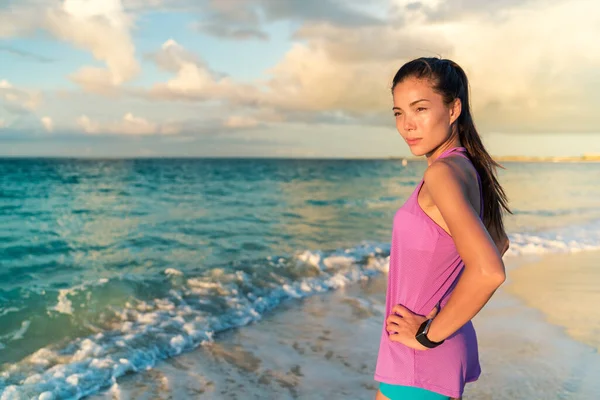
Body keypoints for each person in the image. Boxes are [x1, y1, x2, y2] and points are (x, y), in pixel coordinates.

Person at [373, 57, 511, 400]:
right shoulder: (467, 168)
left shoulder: (442, 174)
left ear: (453, 109)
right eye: (398, 113)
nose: (407, 125)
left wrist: (427, 335)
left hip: (420, 358)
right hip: (436, 349)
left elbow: (489, 270)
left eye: (420, 109)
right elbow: (499, 241)